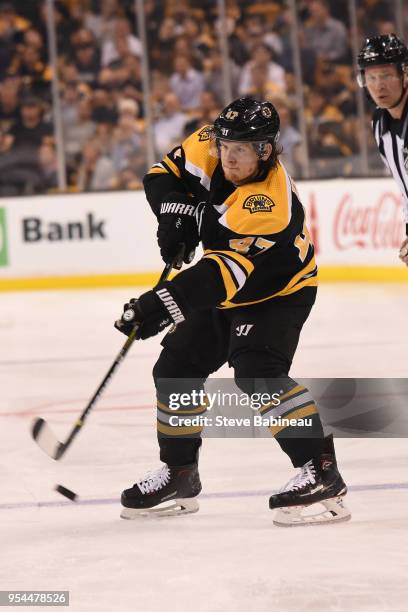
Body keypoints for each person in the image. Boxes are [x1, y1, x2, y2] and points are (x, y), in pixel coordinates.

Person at [115, 97, 351, 526]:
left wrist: (160, 303)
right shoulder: (213, 143)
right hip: (227, 288)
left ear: (266, 150)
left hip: (276, 293)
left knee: (257, 373)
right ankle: (180, 473)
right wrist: (174, 215)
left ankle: (321, 471)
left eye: (242, 149)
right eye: (225, 146)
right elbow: (161, 176)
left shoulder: (267, 203)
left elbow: (220, 274)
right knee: (175, 368)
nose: (229, 156)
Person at [357, 34, 408, 266]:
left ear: (404, 74)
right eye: (372, 77)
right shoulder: (378, 124)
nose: (379, 85)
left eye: (386, 75)